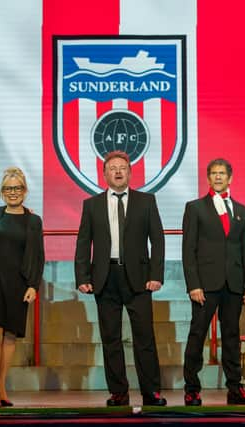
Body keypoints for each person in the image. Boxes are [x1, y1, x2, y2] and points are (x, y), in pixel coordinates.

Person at [75, 150, 167, 407]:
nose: (117, 171)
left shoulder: (146, 201)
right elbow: (84, 243)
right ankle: (119, 392)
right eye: (112, 168)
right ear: (104, 174)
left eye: (122, 168)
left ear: (129, 172)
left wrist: (156, 275)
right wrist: (82, 276)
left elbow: (157, 241)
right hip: (105, 277)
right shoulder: (91, 204)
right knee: (111, 339)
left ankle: (152, 392)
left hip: (138, 278)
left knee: (144, 337)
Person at [181, 158, 245, 406]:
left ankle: (235, 389)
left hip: (233, 284)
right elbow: (188, 250)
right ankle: (192, 389)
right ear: (208, 178)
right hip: (205, 284)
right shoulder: (195, 208)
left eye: (222, 173)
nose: (218, 177)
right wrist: (193, 284)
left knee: (232, 336)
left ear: (230, 177)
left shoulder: (242, 211)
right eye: (213, 173)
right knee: (197, 334)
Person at [0, 167, 44, 408]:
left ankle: (1, 385)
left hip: (19, 283)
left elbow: (38, 256)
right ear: (2, 192)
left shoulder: (33, 221)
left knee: (10, 336)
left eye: (17, 188)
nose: (13, 192)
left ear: (25, 191)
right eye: (8, 189)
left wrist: (33, 285)